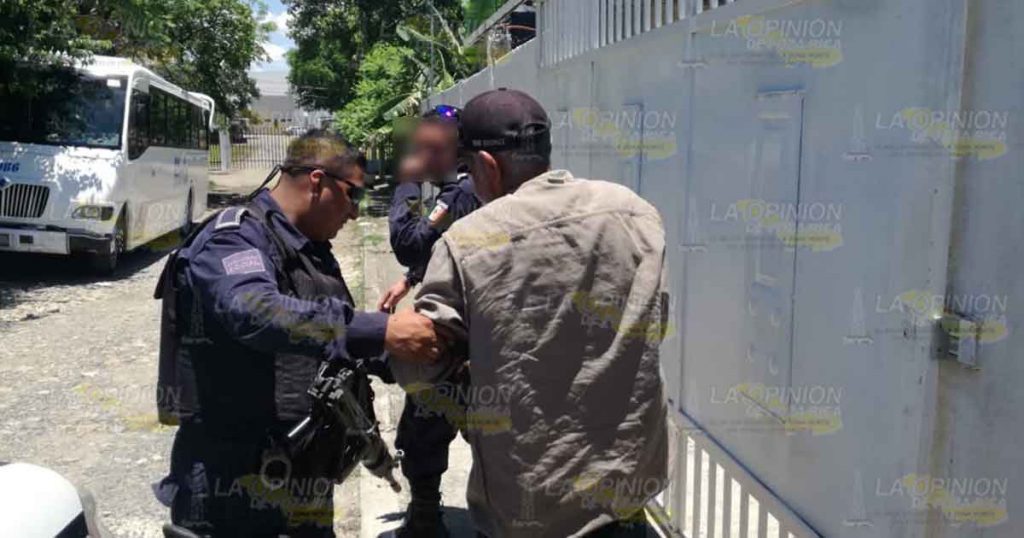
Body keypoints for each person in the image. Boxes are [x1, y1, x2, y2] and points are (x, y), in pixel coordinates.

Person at [388, 89, 670, 537]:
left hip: (530, 506)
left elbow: (423, 369)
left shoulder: (466, 242)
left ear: (487, 165)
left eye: (469, 167)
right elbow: (653, 321)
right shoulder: (634, 212)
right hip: (627, 488)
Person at [155, 130, 441, 537]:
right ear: (317, 181)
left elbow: (331, 340)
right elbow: (256, 313)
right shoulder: (232, 238)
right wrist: (383, 331)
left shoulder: (309, 249)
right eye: (354, 195)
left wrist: (422, 353)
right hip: (236, 496)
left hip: (304, 485)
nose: (356, 212)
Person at [380, 106, 481, 537]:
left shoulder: (459, 193)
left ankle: (425, 520)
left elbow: (410, 242)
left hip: (457, 336)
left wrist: (406, 182)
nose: (421, 157)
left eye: (429, 149)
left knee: (425, 427)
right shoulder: (477, 188)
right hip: (480, 329)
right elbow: (447, 246)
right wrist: (409, 280)